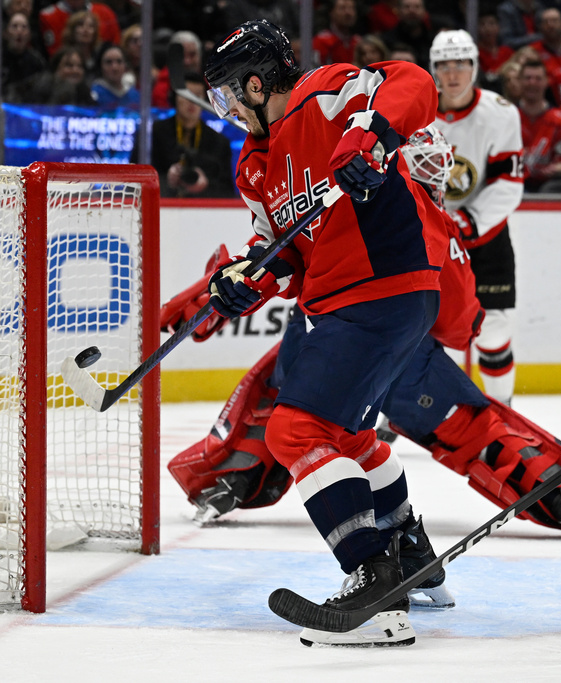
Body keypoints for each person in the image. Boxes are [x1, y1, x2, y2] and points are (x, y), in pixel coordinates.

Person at [162, 126, 561, 543]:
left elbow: (267, 263)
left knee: (283, 406)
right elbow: (460, 327)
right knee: (471, 430)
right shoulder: (437, 223)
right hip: (401, 352)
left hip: (322, 337)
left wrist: (197, 304)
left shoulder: (329, 198)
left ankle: (232, 481)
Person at [202, 19, 450, 647]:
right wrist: (244, 280)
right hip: (350, 301)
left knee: (294, 430)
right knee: (349, 435)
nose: (228, 109)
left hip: (382, 287)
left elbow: (414, 81)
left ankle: (375, 583)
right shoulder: (254, 166)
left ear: (257, 84)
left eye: (230, 93)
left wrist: (372, 132)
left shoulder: (325, 93)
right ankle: (411, 555)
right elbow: (280, 252)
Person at [431, 29, 524, 405]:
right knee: (414, 329)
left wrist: (469, 220)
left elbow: (509, 183)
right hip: (430, 238)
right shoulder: (416, 112)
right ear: (433, 69)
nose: (453, 73)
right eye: (444, 65)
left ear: (475, 67)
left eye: (461, 64)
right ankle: (395, 419)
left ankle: (504, 411)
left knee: (495, 330)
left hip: (485, 239)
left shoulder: (501, 113)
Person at [134, 71, 232, 197]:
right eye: (187, 95)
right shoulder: (153, 134)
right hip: (162, 207)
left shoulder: (219, 143)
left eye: (197, 96)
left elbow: (227, 192)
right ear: (174, 97)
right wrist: (164, 181)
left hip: (204, 212)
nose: (192, 102)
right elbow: (137, 180)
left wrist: (206, 186)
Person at [517, 59, 561, 192]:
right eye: (528, 78)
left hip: (549, 187)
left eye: (538, 78)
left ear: (547, 81)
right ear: (519, 81)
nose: (532, 83)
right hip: (513, 185)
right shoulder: (506, 119)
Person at [529, 7, 561, 106]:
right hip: (545, 102)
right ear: (540, 27)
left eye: (554, 21)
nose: (550, 25)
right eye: (546, 22)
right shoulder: (532, 51)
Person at [39, 0, 120, 57]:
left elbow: (116, 49)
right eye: (80, 25)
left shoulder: (105, 12)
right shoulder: (49, 16)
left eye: (90, 26)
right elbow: (55, 54)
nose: (85, 30)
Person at [1, 11, 47, 102]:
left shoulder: (37, 61)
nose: (19, 31)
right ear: (5, 33)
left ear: (29, 35)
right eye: (14, 26)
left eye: (24, 27)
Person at [313, 0, 361, 66]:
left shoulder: (358, 41)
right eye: (342, 8)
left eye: (351, 8)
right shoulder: (322, 41)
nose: (348, 13)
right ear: (331, 12)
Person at [90, 43, 139, 109]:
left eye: (119, 61)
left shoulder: (135, 95)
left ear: (125, 65)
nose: (115, 68)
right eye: (109, 62)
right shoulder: (93, 94)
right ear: (100, 66)